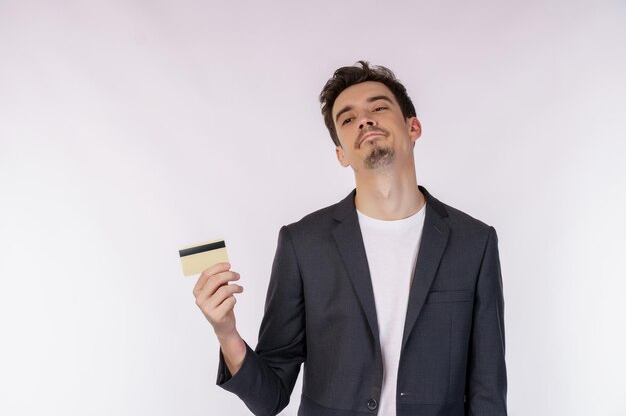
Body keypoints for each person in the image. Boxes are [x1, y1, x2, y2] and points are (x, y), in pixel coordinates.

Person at [193, 61, 507, 416]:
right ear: (341, 153)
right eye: (347, 118)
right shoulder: (303, 244)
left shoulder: (474, 242)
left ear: (413, 127)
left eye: (378, 107)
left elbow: (488, 392)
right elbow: (270, 398)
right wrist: (226, 332)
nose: (365, 120)